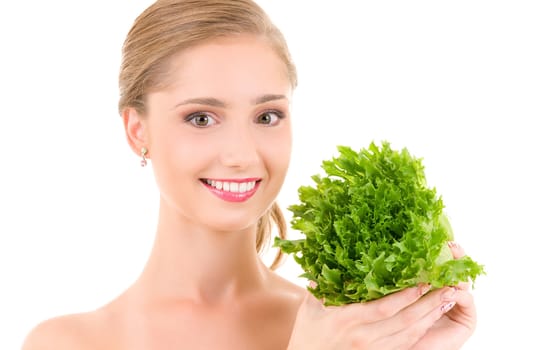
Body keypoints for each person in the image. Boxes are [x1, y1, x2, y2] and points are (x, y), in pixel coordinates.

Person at [21, 0, 477, 349]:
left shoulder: (350, 331)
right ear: (138, 130)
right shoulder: (68, 342)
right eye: (201, 118)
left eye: (267, 116)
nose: (241, 155)